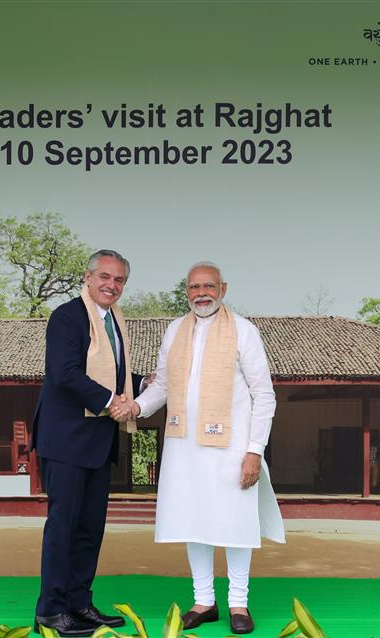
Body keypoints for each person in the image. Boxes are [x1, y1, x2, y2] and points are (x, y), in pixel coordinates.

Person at [112, 261, 285, 635]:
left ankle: (239, 603)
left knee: (235, 523)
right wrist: (136, 406)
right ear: (186, 291)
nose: (201, 293)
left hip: (232, 448)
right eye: (194, 287)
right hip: (184, 446)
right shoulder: (175, 330)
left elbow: (264, 395)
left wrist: (255, 450)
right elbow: (161, 387)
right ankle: (204, 601)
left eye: (208, 286)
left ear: (222, 289)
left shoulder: (243, 330)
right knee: (195, 521)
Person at [32, 249, 144, 637]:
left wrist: (142, 388)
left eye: (119, 280)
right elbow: (63, 373)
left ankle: (79, 603)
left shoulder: (115, 321)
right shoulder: (68, 317)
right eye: (105, 277)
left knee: (89, 529)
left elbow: (117, 375)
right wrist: (114, 401)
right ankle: (50, 610)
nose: (111, 285)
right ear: (89, 277)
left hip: (98, 440)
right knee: (62, 527)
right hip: (65, 439)